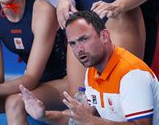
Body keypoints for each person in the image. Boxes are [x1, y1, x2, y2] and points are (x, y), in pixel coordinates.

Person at [20, 10, 159, 124]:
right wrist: (44, 115)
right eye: (73, 43)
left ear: (104, 36)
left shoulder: (131, 74)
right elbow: (80, 118)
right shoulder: (92, 71)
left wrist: (91, 121)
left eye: (84, 39)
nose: (79, 49)